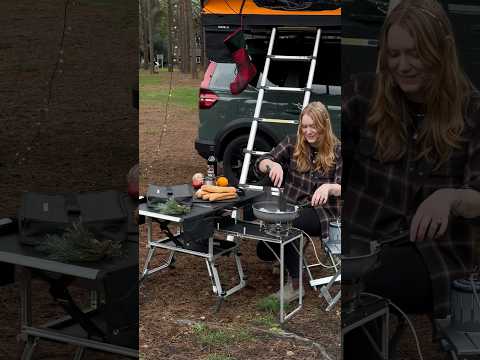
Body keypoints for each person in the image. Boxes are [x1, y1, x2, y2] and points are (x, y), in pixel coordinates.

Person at [342, 0, 480, 357]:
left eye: (415, 54)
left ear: (441, 51)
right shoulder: (362, 94)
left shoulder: (471, 110)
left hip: (430, 253)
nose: (402, 66)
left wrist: (452, 197)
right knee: (340, 272)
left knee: (364, 285)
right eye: (395, 54)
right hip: (362, 238)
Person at [255, 101, 342, 302]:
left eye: (313, 126)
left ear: (324, 125)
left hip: (323, 212)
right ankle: (287, 255)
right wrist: (272, 165)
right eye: (305, 126)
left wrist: (329, 187)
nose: (308, 131)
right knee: (264, 251)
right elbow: (261, 162)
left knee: (289, 223)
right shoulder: (292, 143)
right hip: (292, 205)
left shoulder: (338, 150)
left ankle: (295, 285)